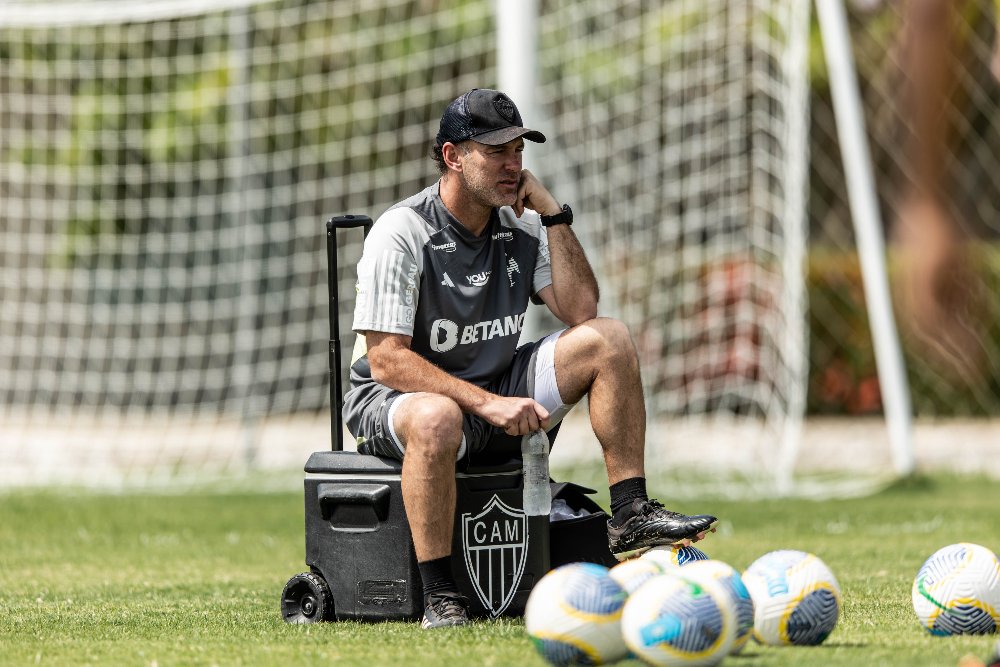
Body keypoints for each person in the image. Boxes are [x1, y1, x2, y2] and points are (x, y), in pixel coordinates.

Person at [342, 88, 717, 629]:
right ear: (453, 156)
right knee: (437, 415)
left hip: (490, 386)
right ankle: (440, 595)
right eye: (496, 151)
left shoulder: (519, 226)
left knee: (607, 339)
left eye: (518, 149)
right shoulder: (402, 232)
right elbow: (387, 362)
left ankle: (631, 513)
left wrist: (553, 214)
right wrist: (490, 404)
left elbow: (581, 309)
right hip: (396, 401)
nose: (512, 163)